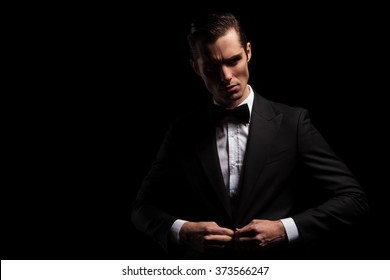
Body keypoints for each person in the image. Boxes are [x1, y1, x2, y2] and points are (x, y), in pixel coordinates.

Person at [131, 11, 369, 259]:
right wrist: (182, 231)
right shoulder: (181, 131)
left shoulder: (293, 123)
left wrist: (285, 229)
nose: (226, 77)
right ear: (195, 67)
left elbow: (354, 200)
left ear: (248, 52)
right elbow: (141, 209)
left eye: (234, 60)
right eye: (212, 68)